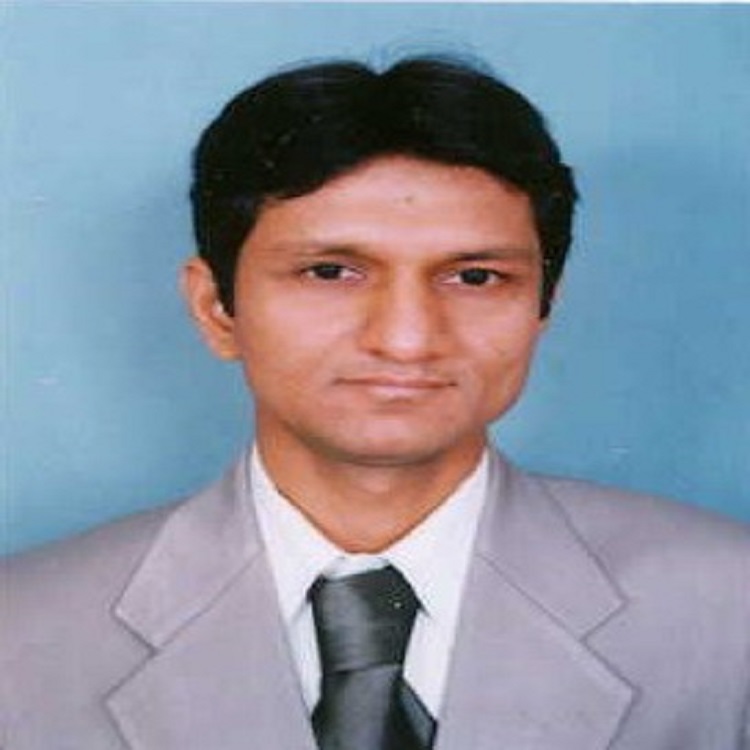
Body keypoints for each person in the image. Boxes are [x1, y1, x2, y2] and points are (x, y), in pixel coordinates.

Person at [2, 55, 749, 750]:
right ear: (216, 308)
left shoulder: (729, 611)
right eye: (331, 272)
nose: (407, 339)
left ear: (542, 306)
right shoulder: (22, 634)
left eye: (476, 278)